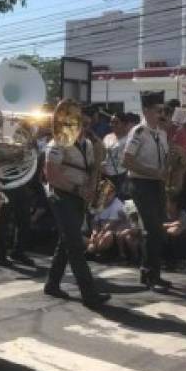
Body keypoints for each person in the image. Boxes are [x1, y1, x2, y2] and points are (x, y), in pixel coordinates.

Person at [42, 102, 111, 308]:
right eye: (80, 121)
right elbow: (51, 176)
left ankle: (52, 284)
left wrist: (91, 185)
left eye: (85, 122)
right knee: (74, 245)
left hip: (78, 197)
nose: (84, 125)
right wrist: (78, 190)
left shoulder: (88, 145)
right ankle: (89, 294)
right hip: (62, 197)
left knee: (66, 242)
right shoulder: (57, 143)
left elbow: (92, 170)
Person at [122, 90, 172, 289]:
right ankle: (151, 274)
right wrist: (153, 172)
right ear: (146, 110)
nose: (161, 113)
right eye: (157, 110)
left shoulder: (161, 132)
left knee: (158, 230)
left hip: (156, 184)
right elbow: (127, 160)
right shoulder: (138, 132)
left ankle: (151, 271)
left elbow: (165, 162)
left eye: (162, 109)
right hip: (141, 184)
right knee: (152, 230)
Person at [100, 111, 137, 199]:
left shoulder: (130, 139)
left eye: (116, 122)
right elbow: (102, 155)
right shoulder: (107, 137)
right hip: (106, 176)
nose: (112, 125)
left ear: (124, 124)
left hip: (122, 176)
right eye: (111, 122)